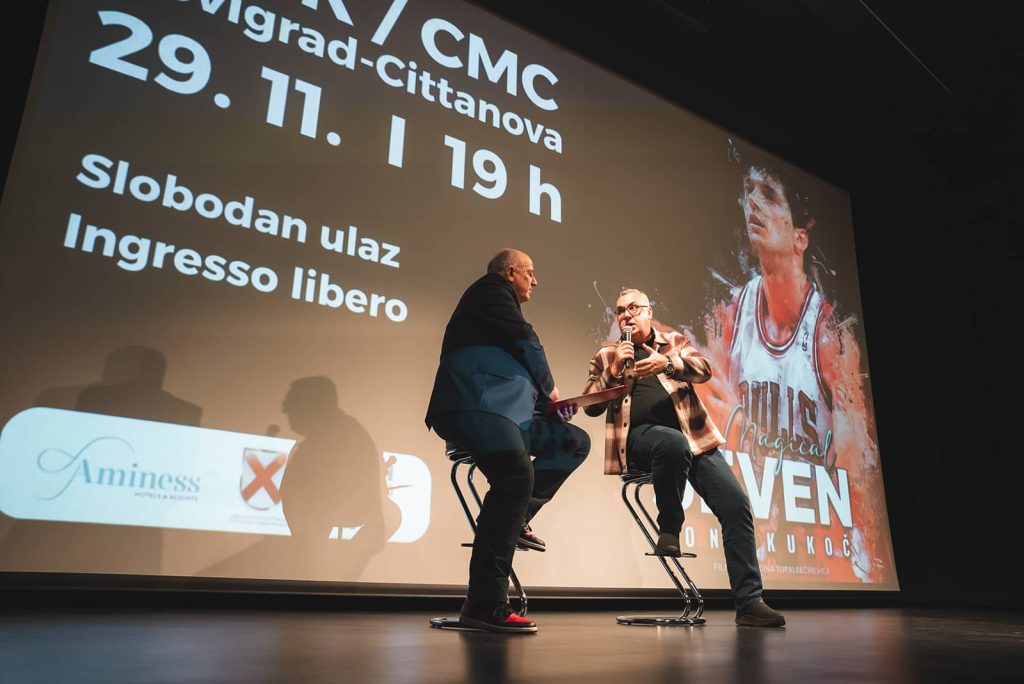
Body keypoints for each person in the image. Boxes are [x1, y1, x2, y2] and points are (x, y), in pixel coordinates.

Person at [698, 164, 889, 583]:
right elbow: (713, 427)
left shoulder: (832, 337)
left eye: (768, 195)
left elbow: (857, 476)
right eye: (748, 191)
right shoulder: (729, 314)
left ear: (800, 237)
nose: (752, 202)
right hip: (755, 526)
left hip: (816, 542)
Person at [583, 288, 785, 627]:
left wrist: (668, 364)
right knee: (671, 444)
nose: (626, 315)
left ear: (649, 312)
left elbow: (703, 369)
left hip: (695, 439)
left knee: (736, 506)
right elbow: (590, 405)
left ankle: (749, 603)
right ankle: (670, 528)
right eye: (620, 311)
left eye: (633, 308)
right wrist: (614, 369)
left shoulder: (674, 341)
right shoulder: (608, 354)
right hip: (639, 440)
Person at [426, 248, 590, 634]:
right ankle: (483, 605)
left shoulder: (495, 313)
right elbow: (525, 339)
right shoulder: (491, 289)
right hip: (476, 404)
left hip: (510, 414)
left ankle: (519, 517)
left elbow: (514, 371)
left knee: (573, 442)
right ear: (510, 272)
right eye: (530, 272)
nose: (535, 280)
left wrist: (549, 409)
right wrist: (550, 389)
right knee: (515, 477)